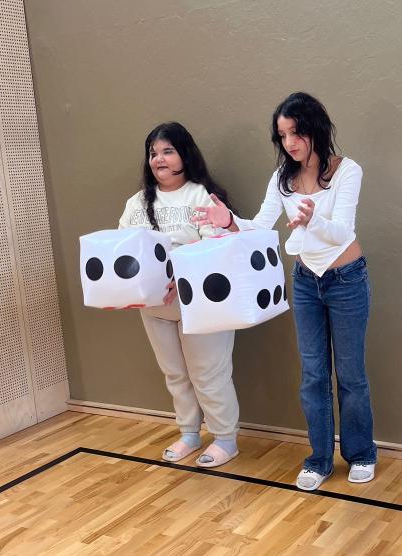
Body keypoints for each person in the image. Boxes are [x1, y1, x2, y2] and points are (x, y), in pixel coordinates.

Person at [193, 92, 376, 490]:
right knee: (312, 376)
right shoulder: (282, 179)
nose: (290, 142)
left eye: (296, 132)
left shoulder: (347, 171)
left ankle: (361, 453)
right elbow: (260, 226)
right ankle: (319, 459)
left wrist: (313, 221)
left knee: (351, 375)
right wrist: (228, 221)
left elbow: (343, 232)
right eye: (283, 135)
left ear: (315, 129)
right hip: (307, 282)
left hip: (347, 280)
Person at [119, 122, 240, 467]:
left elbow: (216, 249)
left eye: (168, 151)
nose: (159, 159)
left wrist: (181, 276)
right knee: (174, 373)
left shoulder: (201, 196)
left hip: (199, 305)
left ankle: (225, 438)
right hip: (154, 307)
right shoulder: (136, 202)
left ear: (185, 154)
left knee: (209, 373)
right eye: (153, 153)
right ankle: (189, 432)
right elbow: (123, 248)